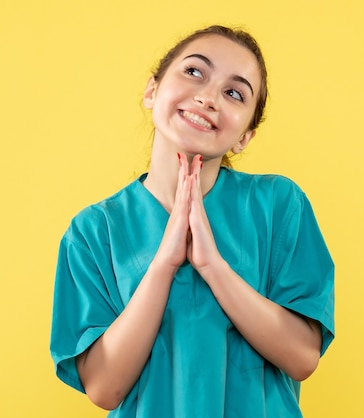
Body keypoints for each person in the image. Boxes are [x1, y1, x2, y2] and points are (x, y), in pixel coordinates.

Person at [50, 25, 335, 417]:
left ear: (245, 137)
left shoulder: (279, 206)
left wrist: (212, 266)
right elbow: (103, 387)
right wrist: (164, 264)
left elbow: (303, 357)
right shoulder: (93, 232)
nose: (208, 97)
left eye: (234, 93)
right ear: (152, 91)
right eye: (194, 72)